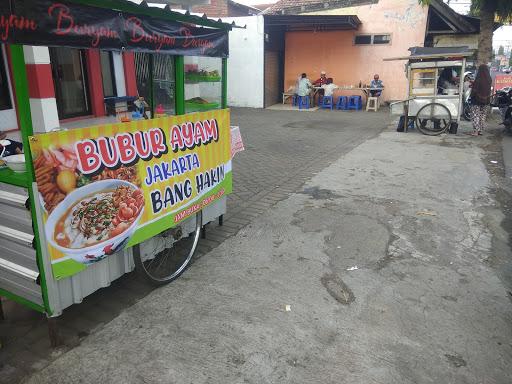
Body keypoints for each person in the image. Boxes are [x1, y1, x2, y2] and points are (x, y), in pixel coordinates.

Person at [469, 64, 492, 136]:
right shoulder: (489, 79)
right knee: (482, 115)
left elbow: (475, 90)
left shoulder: (478, 79)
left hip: (476, 100)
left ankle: (475, 131)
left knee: (476, 115)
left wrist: (471, 96)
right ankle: (480, 131)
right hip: (486, 100)